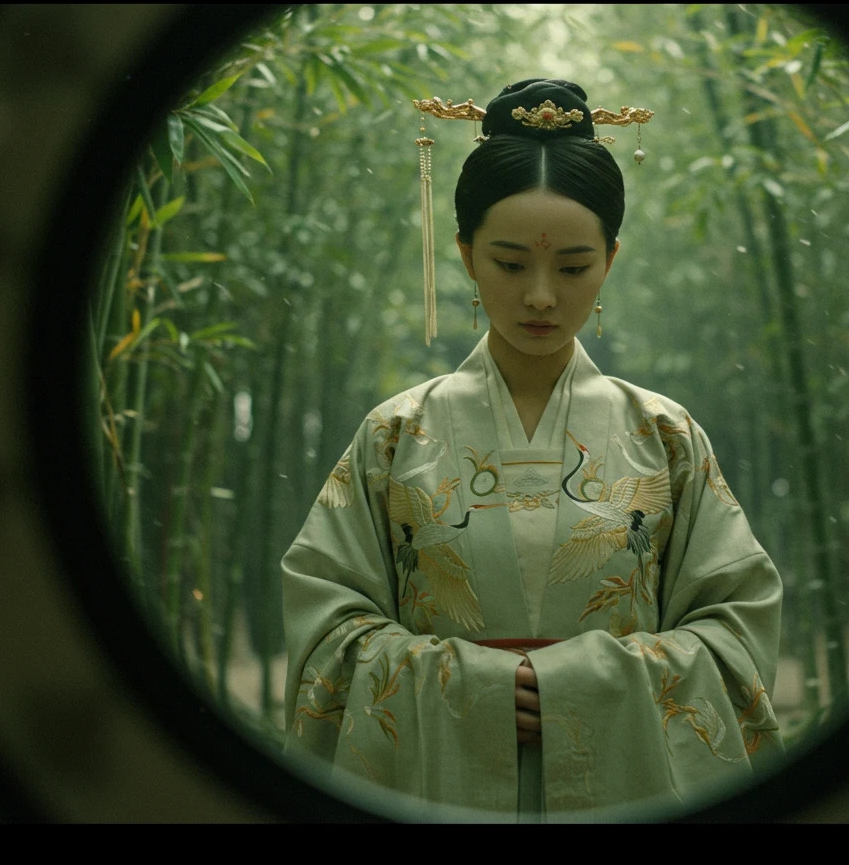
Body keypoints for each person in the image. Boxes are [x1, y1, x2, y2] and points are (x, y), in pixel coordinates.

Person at [281, 79, 783, 821]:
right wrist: (475, 692)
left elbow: (735, 628)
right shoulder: (393, 434)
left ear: (610, 258)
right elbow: (327, 630)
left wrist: (576, 686)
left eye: (573, 266)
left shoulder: (666, 436)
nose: (542, 296)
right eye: (511, 264)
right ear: (465, 255)